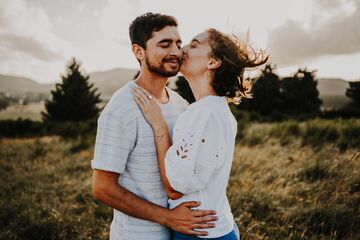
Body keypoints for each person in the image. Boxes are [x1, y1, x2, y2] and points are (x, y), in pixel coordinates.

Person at [131, 28, 268, 239]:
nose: (182, 49)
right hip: (217, 228)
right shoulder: (214, 109)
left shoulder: (203, 113)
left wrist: (159, 127)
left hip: (198, 233)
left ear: (213, 62)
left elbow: (175, 189)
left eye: (194, 45)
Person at [91, 13, 218, 240]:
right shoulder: (122, 108)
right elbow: (102, 187)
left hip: (180, 234)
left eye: (179, 43)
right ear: (139, 51)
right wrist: (167, 217)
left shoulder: (180, 104)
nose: (176, 51)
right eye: (164, 44)